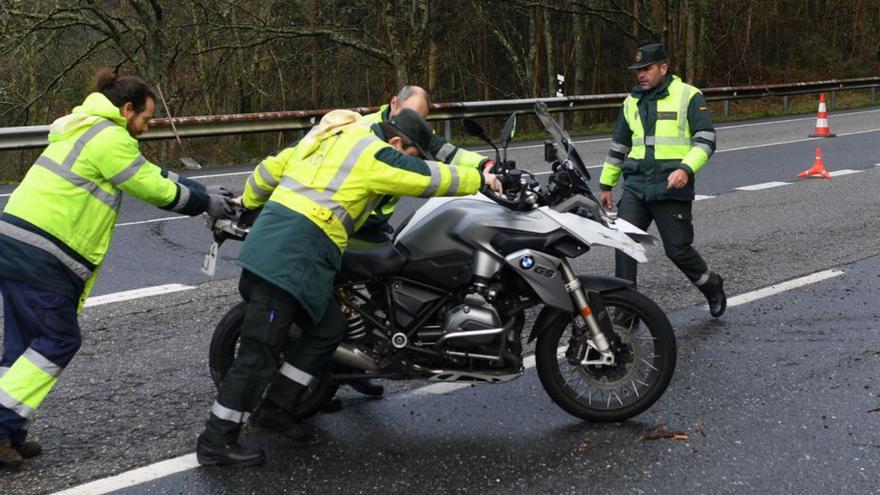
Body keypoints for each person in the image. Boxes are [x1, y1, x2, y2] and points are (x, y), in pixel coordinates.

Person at [196, 108, 501, 467]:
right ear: (396, 142)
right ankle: (216, 440)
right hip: (290, 254)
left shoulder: (329, 138)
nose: (410, 158)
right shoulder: (373, 152)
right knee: (259, 352)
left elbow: (269, 170)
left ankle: (276, 407)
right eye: (411, 151)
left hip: (298, 250)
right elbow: (422, 177)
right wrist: (479, 180)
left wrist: (245, 202)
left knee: (328, 329)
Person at [0, 69, 235, 468]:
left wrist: (202, 190)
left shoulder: (88, 129)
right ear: (127, 109)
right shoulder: (109, 137)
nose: (147, 126)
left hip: (19, 244)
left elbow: (150, 172)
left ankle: (10, 434)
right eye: (146, 118)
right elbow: (151, 186)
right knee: (58, 339)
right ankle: (2, 424)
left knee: (22, 346)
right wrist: (202, 203)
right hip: (44, 253)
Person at [598, 43, 727, 319]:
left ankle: (712, 285)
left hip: (671, 187)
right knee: (624, 242)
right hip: (635, 187)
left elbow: (706, 140)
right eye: (638, 71)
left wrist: (685, 169)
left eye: (647, 69)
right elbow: (619, 146)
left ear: (663, 68)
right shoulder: (631, 102)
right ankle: (627, 310)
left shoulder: (688, 96)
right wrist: (606, 184)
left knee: (677, 250)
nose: (641, 75)